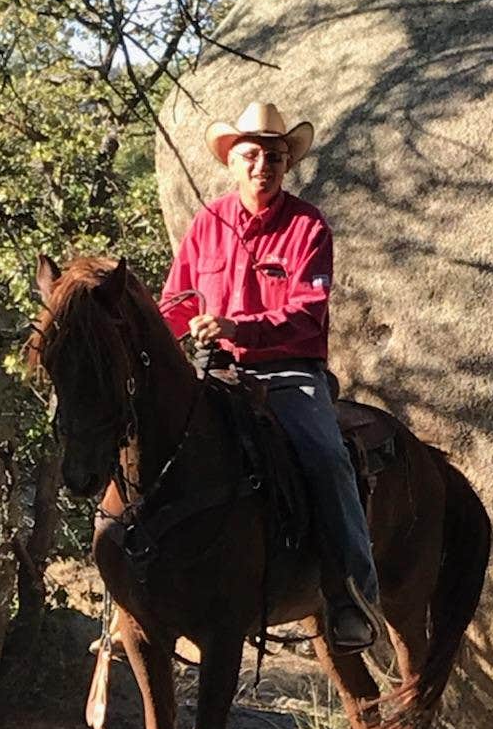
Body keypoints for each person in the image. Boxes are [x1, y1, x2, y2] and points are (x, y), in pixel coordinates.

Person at [158, 101, 380, 653]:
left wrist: (239, 325)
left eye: (275, 156)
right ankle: (140, 590)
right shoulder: (207, 224)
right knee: (151, 447)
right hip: (214, 370)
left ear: (287, 164)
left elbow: (308, 312)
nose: (264, 166)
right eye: (252, 155)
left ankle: (352, 594)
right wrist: (143, 335)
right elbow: (175, 304)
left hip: (288, 372)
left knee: (327, 459)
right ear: (232, 162)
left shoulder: (308, 227)